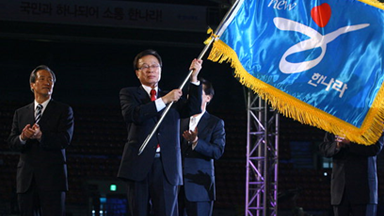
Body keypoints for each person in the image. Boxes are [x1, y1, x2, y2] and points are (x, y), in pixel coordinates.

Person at [117, 49, 203, 216]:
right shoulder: (129, 93)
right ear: (137, 73)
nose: (151, 70)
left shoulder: (172, 97)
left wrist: (194, 78)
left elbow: (193, 108)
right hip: (138, 164)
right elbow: (134, 114)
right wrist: (164, 100)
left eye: (155, 66)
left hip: (167, 166)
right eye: (145, 67)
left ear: (161, 70)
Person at [7, 65, 74, 216]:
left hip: (53, 180)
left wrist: (41, 136)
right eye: (42, 79)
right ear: (32, 85)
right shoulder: (20, 113)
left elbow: (65, 140)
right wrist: (23, 137)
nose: (47, 82)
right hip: (26, 181)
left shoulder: (64, 110)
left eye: (50, 80)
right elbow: (12, 142)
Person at [178, 78, 226, 216]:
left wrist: (196, 142)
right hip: (176, 187)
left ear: (208, 98)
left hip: (199, 189)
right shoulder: (180, 121)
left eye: (197, 93)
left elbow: (217, 151)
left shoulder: (215, 123)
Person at [319, 132, 383, 216]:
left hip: (363, 189)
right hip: (340, 191)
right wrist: (337, 145)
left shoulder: (373, 123)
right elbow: (324, 149)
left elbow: (374, 148)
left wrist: (350, 143)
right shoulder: (334, 125)